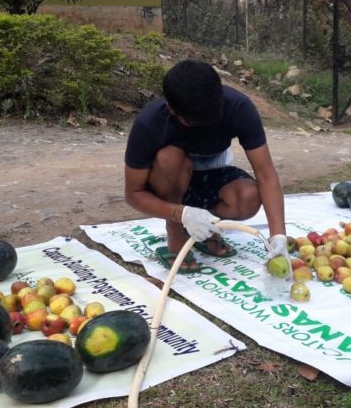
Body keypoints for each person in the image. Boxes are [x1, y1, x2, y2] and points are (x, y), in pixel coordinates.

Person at [124, 59, 290, 273]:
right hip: (171, 184)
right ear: (171, 109)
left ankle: (207, 226)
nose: (206, 127)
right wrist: (180, 214)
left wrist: (278, 237)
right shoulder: (151, 123)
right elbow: (134, 193)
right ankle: (176, 233)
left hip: (212, 177)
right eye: (194, 123)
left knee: (248, 196)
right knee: (170, 157)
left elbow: (265, 173)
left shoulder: (238, 107)